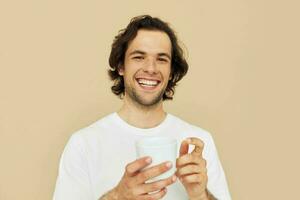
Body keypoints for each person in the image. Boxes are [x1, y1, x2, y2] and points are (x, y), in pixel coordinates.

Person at [53, 15, 231, 200]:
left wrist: (200, 194)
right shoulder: (84, 144)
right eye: (139, 57)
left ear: (171, 71)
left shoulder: (199, 143)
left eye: (161, 59)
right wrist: (116, 197)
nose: (151, 68)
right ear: (121, 66)